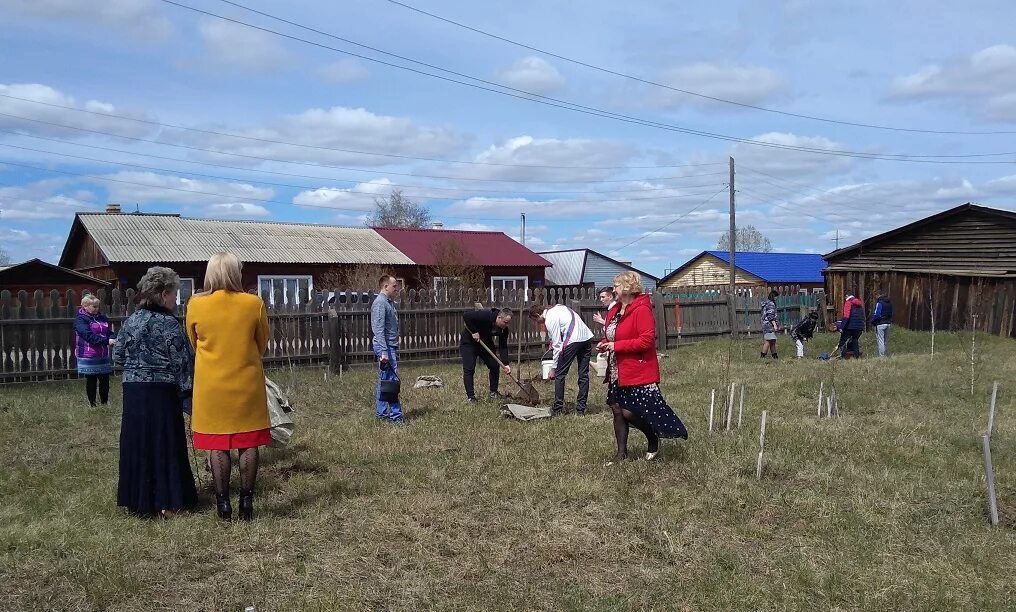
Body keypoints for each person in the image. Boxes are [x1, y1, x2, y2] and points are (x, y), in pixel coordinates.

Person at [186, 252, 271, 521]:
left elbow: (193, 342)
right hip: (246, 381)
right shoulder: (253, 303)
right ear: (237, 272)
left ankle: (223, 503)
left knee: (217, 442)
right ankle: (246, 500)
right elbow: (262, 343)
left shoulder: (195, 304)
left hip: (211, 384)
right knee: (248, 442)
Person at [113, 266, 197, 518]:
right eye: (174, 294)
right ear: (162, 295)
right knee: (165, 443)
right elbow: (183, 364)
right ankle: (169, 503)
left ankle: (138, 502)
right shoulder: (169, 325)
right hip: (161, 392)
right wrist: (188, 396)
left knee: (137, 442)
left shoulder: (132, 321)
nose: (175, 299)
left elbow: (117, 355)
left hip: (133, 391)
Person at [598, 271, 687, 464]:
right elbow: (613, 334)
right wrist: (606, 342)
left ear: (628, 288)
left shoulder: (641, 309)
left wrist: (616, 346)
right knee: (616, 409)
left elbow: (646, 341)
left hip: (637, 368)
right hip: (617, 368)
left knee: (630, 411)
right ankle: (621, 454)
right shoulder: (615, 310)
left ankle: (652, 436)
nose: (613, 290)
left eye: (616, 286)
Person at [528, 300, 595, 416]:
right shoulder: (559, 308)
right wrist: (552, 341)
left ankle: (557, 408)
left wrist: (554, 368)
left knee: (560, 374)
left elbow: (558, 346)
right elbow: (565, 326)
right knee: (583, 375)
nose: (538, 323)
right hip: (586, 338)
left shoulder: (549, 319)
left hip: (573, 341)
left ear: (538, 315)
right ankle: (581, 409)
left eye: (536, 320)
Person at [460, 307, 512, 402]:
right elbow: (466, 316)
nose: (507, 325)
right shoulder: (485, 315)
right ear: (499, 317)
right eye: (505, 322)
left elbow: (503, 346)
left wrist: (505, 363)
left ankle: (493, 392)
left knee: (494, 366)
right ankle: (471, 397)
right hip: (469, 343)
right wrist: (474, 331)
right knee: (469, 369)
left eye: (508, 322)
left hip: (485, 344)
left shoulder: (504, 330)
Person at [371, 274, 404, 423]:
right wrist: (384, 351)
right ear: (385, 286)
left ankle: (381, 414)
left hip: (389, 345)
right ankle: (396, 417)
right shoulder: (380, 303)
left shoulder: (389, 302)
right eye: (394, 286)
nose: (396, 289)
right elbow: (378, 329)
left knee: (384, 380)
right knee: (391, 380)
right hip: (385, 347)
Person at [74, 293, 115, 407]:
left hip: (102, 354)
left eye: (98, 306)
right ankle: (92, 405)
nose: (97, 309)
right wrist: (106, 342)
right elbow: (87, 335)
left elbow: (109, 332)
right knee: (91, 380)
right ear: (85, 307)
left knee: (105, 380)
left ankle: (104, 403)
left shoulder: (102, 318)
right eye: (94, 306)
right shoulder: (80, 320)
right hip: (88, 355)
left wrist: (112, 337)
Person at [837, 293, 865, 358]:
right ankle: (856, 356)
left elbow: (846, 316)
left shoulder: (848, 302)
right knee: (855, 341)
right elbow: (862, 316)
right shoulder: (859, 304)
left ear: (847, 296)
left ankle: (843, 356)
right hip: (859, 327)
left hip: (850, 326)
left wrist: (842, 327)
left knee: (843, 341)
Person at [760, 290, 780, 359]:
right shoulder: (771, 304)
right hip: (769, 325)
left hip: (766, 325)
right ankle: (762, 357)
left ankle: (775, 357)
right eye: (776, 297)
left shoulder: (767, 303)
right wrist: (774, 325)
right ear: (773, 296)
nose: (777, 298)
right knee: (768, 341)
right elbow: (770, 316)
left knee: (773, 342)